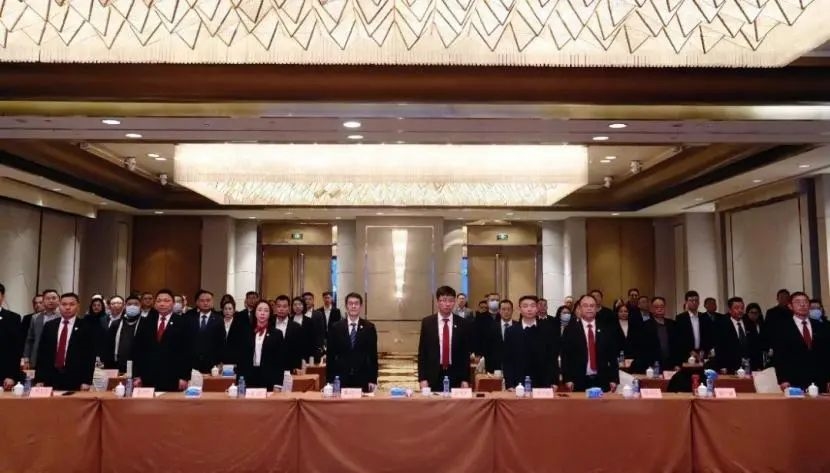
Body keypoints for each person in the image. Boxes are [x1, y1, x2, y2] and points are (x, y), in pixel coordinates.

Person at [34, 293, 96, 391]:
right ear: (59, 306)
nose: (67, 307)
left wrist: (86, 381)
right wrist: (39, 379)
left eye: (72, 304)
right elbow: (42, 354)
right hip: (51, 377)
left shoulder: (86, 326)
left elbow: (89, 356)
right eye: (64, 304)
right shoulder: (49, 326)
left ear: (78, 306)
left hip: (75, 378)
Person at [133, 289, 193, 391]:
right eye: (159, 301)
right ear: (155, 304)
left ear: (173, 303)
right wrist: (137, 375)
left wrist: (184, 377)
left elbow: (188, 352)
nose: (162, 304)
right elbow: (138, 349)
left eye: (166, 301)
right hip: (148, 377)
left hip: (173, 377)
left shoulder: (183, 323)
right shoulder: (146, 322)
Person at [417, 286, 473, 391]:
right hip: (433, 373)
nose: (447, 304)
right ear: (437, 302)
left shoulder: (463, 323)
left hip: (456, 374)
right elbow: (423, 353)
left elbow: (465, 354)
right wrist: (422, 378)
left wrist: (465, 379)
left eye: (451, 301)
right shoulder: (427, 323)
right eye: (444, 300)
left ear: (454, 302)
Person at [771, 291, 829, 392]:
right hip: (794, 379)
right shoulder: (782, 327)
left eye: (805, 302)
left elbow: (827, 354)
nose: (802, 305)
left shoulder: (821, 326)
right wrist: (783, 379)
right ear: (790, 306)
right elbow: (779, 355)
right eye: (798, 302)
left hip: (820, 380)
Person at [561, 294, 619, 392]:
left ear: (596, 308)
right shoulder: (570, 330)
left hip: (602, 379)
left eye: (592, 306)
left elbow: (612, 355)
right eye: (585, 306)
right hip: (578, 380)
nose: (589, 308)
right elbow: (565, 356)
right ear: (580, 308)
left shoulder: (606, 329)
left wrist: (614, 379)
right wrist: (567, 379)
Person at [503, 295, 559, 390]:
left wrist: (554, 381)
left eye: (533, 306)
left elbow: (552, 357)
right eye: (525, 306)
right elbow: (508, 360)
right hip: (518, 382)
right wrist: (510, 384)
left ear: (537, 308)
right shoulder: (511, 331)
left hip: (543, 382)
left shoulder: (547, 329)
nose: (529, 309)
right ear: (519, 309)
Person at [326, 293, 378, 392]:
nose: (353, 306)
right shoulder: (336, 327)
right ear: (346, 306)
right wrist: (330, 380)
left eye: (356, 303)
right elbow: (330, 355)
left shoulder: (369, 328)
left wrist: (373, 379)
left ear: (361, 306)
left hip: (362, 377)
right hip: (341, 377)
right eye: (350, 303)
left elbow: (373, 356)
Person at [236, 300, 286, 391]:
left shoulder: (277, 334)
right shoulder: (246, 332)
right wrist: (238, 382)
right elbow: (241, 359)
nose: (262, 313)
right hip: (249, 376)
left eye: (266, 311)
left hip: (268, 377)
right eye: (259, 310)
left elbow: (279, 361)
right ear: (255, 313)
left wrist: (278, 384)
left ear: (270, 314)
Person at [712, 297, 761, 373]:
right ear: (730, 310)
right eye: (737, 308)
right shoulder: (722, 325)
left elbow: (756, 346)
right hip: (731, 367)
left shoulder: (749, 323)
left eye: (742, 308)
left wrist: (758, 366)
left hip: (750, 366)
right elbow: (719, 348)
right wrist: (722, 366)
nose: (740, 310)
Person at [635, 297, 681, 373]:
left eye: (662, 307)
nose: (659, 309)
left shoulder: (672, 324)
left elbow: (677, 346)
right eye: (656, 307)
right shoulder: (644, 326)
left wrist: (677, 364)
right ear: (651, 309)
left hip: (671, 365)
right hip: (653, 366)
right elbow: (642, 349)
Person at [102, 295, 143, 373]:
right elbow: (108, 347)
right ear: (125, 306)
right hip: (117, 366)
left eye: (136, 304)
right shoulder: (116, 324)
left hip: (139, 367)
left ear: (140, 306)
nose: (132, 306)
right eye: (129, 304)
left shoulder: (146, 324)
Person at [186, 289, 223, 374]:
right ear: (197, 303)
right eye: (202, 300)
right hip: (192, 362)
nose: (205, 303)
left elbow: (221, 342)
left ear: (212, 302)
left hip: (212, 363)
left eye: (208, 300)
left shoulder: (219, 319)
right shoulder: (189, 318)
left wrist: (220, 361)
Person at [23, 289, 60, 370]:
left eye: (54, 298)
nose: (51, 301)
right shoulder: (35, 318)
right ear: (43, 301)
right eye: (48, 298)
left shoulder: (63, 317)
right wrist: (26, 359)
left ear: (58, 301)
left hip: (57, 358)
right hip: (37, 357)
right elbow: (30, 339)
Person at [675, 290, 714, 362]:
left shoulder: (704, 317)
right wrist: (690, 351)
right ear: (686, 302)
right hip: (687, 354)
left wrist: (703, 350)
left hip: (702, 354)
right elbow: (679, 338)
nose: (694, 302)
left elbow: (708, 336)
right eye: (691, 300)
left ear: (699, 302)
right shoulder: (681, 318)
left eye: (696, 300)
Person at [0, 283, 23, 390]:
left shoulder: (13, 318)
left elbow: (16, 350)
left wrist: (12, 375)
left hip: (4, 375)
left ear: (3, 296)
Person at [272, 295, 304, 371]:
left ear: (289, 308)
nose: (281, 309)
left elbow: (298, 350)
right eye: (279, 306)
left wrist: (297, 367)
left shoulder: (296, 327)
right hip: (271, 365)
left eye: (284, 306)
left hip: (290, 367)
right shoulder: (269, 324)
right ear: (275, 308)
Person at [484, 299, 516, 373]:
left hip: (515, 366)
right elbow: (487, 350)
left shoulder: (518, 326)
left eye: (509, 309)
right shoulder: (491, 327)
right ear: (499, 311)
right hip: (495, 367)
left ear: (512, 311)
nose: (506, 312)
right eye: (503, 309)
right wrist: (488, 370)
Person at [290, 296, 320, 363]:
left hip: (306, 354)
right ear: (292, 307)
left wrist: (312, 355)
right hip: (291, 354)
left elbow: (313, 339)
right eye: (295, 305)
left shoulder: (309, 321)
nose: (297, 306)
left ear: (303, 306)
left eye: (300, 304)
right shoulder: (289, 320)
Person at [219, 299, 249, 368]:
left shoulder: (240, 325)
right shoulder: (218, 323)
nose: (227, 311)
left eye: (230, 309)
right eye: (225, 309)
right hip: (220, 358)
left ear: (234, 310)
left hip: (234, 359)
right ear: (222, 310)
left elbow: (242, 344)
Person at [473, 292, 500, 356]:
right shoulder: (480, 318)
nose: (495, 302)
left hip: (499, 352)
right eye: (492, 300)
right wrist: (477, 354)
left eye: (497, 300)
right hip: (484, 353)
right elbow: (476, 337)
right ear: (487, 302)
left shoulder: (503, 317)